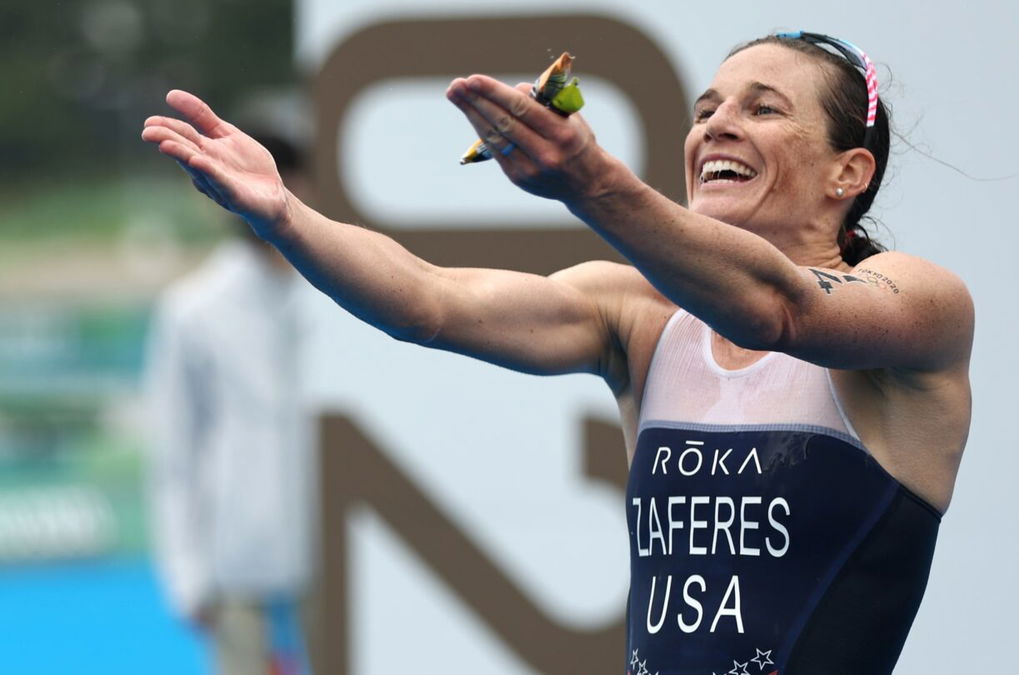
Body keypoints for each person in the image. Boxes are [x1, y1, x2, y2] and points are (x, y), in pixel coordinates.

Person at [142, 30, 973, 675]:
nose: (717, 123)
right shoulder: (642, 313)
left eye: (761, 108)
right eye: (707, 107)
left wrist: (591, 181)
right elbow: (428, 301)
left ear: (848, 172)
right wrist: (284, 215)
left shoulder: (918, 309)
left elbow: (778, 309)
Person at [143, 124, 315, 675]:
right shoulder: (191, 309)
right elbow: (174, 450)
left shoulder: (345, 295)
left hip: (336, 557)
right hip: (240, 568)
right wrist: (185, 573)